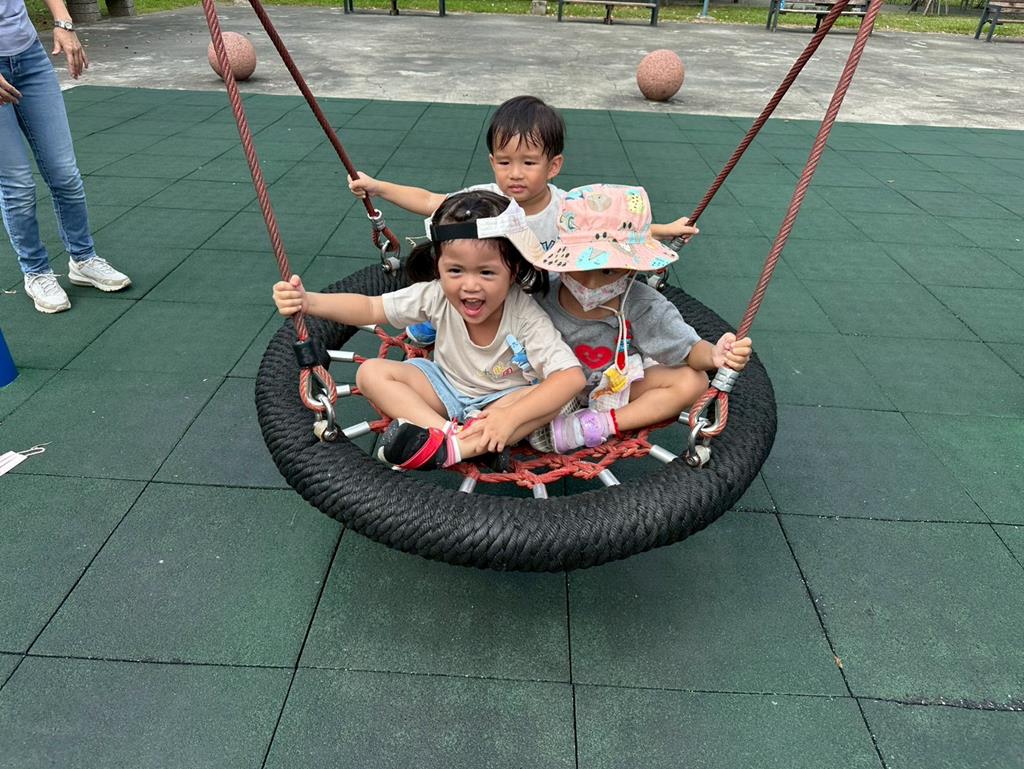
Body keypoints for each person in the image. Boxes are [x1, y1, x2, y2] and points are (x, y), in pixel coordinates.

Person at [272, 189, 585, 471]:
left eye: (487, 272)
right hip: (445, 386)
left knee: (547, 401)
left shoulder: (524, 314)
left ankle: (462, 443)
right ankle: (455, 441)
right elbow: (370, 307)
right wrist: (309, 301)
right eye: (455, 270)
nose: (470, 285)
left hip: (502, 399)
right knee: (370, 374)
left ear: (513, 270)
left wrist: (509, 417)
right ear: (439, 268)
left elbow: (571, 376)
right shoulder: (435, 295)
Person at [349, 95, 697, 342]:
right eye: (504, 162)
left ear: (553, 166)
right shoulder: (483, 201)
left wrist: (665, 230)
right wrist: (379, 187)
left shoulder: (566, 208)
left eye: (528, 163)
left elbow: (612, 230)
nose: (515, 174)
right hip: (485, 290)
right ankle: (438, 321)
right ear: (492, 162)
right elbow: (430, 200)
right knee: (456, 280)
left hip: (536, 298)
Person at [526, 184, 753, 453]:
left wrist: (715, 354)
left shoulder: (641, 303)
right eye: (580, 267)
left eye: (608, 271)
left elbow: (690, 350)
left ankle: (597, 425)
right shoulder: (542, 290)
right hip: (550, 383)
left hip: (614, 386)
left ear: (631, 268)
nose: (591, 283)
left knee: (694, 381)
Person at [0, 0, 131, 314]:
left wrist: (63, 22)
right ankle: (36, 271)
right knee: (18, 186)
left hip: (29, 57)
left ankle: (83, 258)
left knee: (64, 173)